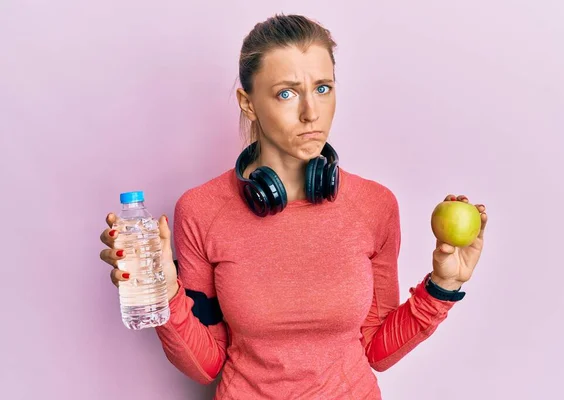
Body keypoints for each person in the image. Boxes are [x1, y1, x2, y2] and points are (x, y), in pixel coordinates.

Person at [99, 14, 488, 399]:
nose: (310, 113)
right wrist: (165, 293)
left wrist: (445, 284)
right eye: (286, 93)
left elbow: (376, 350)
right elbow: (207, 366)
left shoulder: (375, 206)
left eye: (322, 88)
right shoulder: (202, 210)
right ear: (248, 103)